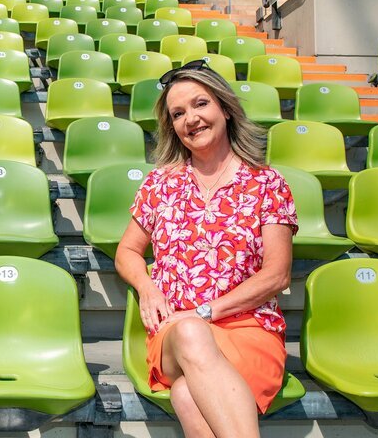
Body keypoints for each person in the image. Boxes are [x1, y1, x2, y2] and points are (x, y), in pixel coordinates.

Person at [115, 60, 297, 438]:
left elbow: (277, 274)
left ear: (225, 109)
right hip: (175, 335)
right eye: (178, 113)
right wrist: (147, 288)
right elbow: (127, 251)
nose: (191, 119)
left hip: (250, 329)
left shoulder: (267, 183)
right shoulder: (160, 184)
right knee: (191, 333)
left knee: (186, 394)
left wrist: (205, 311)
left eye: (200, 104)